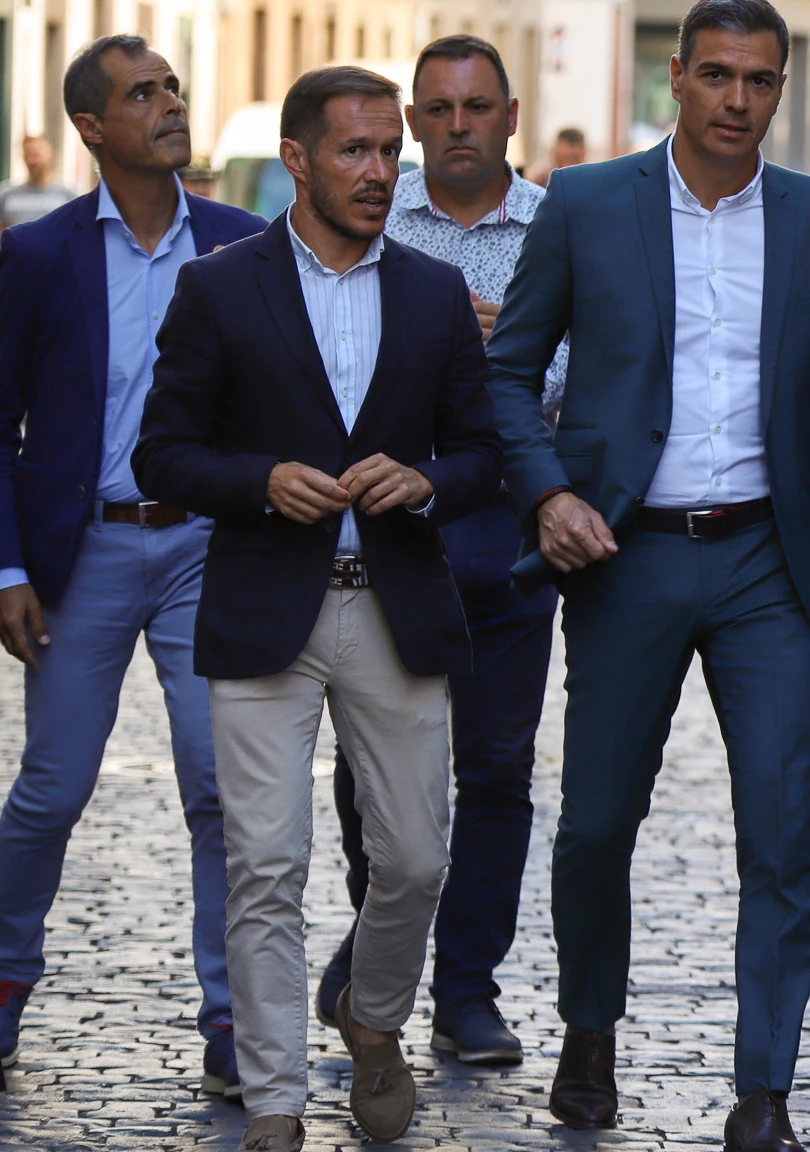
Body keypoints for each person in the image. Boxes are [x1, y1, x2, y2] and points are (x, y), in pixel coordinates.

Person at [484, 1, 810, 1144]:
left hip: (767, 564)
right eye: (715, 76)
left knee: (780, 831)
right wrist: (549, 494)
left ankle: (763, 1091)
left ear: (779, 88)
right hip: (625, 553)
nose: (736, 101)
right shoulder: (589, 204)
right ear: (678, 82)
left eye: (758, 80)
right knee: (596, 822)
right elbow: (508, 371)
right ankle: (589, 1028)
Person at [132, 63, 502, 1152]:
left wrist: (426, 479)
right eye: (355, 150)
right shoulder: (220, 286)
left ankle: (372, 1018)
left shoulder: (433, 292)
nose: (382, 170)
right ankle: (279, 1104)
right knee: (266, 864)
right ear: (296, 160)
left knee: (418, 859)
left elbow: (485, 454)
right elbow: (162, 453)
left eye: (392, 150)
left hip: (395, 606)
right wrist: (257, 480)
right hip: (263, 608)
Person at [0, 34, 264, 1100]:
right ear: (92, 128)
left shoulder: (245, 243)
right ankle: (7, 973)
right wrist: (6, 567)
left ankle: (230, 1010)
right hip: (84, 554)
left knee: (221, 787)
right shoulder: (39, 255)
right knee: (51, 792)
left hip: (211, 546)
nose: (168, 103)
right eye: (141, 94)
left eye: (171, 87)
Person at [309, 33, 570, 1069]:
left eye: (478, 107)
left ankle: (467, 990)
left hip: (511, 528)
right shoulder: (371, 210)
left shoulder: (561, 228)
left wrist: (511, 357)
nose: (458, 125)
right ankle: (376, 954)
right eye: (440, 109)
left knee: (497, 770)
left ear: (511, 115)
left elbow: (604, 372)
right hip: (387, 530)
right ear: (415, 122)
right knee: (368, 773)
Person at [0, 135, 79, 227]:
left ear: (49, 155)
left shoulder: (67, 195)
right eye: (27, 155)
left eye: (36, 155)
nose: (32, 161)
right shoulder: (6, 195)